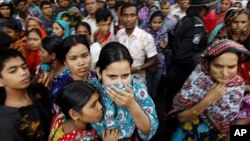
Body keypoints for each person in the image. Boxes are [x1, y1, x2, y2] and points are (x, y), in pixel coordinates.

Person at [169, 39, 250, 140]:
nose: (225, 73)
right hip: (189, 133)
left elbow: (232, 124)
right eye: (218, 66)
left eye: (231, 67)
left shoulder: (238, 84)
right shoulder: (197, 80)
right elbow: (182, 117)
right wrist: (208, 100)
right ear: (207, 63)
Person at [91, 42, 158, 140]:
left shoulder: (138, 89)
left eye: (125, 75)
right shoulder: (92, 89)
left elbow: (148, 129)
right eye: (112, 76)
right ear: (99, 72)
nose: (120, 83)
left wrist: (132, 105)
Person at [0, 48, 52, 140]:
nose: (23, 73)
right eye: (13, 71)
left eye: (24, 67)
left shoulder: (36, 90)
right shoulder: (6, 121)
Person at [49, 81, 119, 141]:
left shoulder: (59, 117)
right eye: (93, 105)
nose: (100, 106)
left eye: (99, 100)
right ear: (74, 114)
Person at [116, 2, 157, 84]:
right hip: (120, 80)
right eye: (125, 15)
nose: (128, 19)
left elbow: (154, 60)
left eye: (132, 15)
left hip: (138, 81)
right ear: (120, 17)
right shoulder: (119, 34)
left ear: (137, 17)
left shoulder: (145, 37)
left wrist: (137, 69)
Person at [50, 35, 95, 103]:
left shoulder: (97, 77)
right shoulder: (61, 88)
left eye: (85, 55)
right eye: (73, 58)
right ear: (65, 63)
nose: (81, 63)